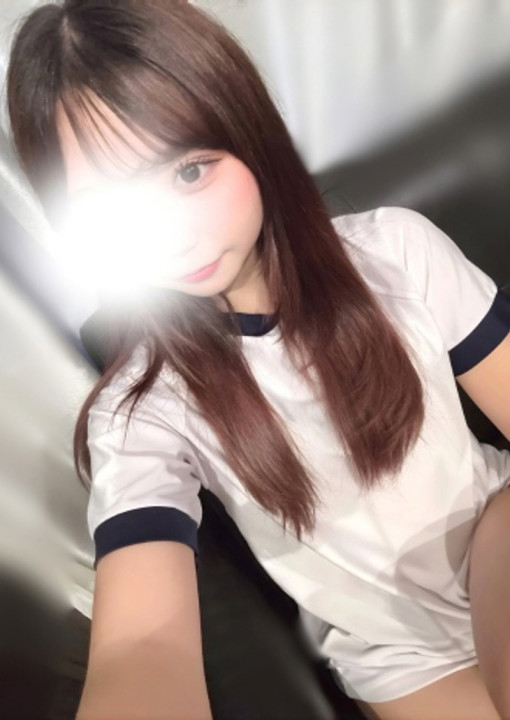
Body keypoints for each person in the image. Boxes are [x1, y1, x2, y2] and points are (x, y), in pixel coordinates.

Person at [6, 1, 510, 718]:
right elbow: (141, 647)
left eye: (189, 172)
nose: (173, 239)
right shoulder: (144, 410)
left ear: (246, 129)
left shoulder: (397, 253)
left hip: (498, 531)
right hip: (397, 657)